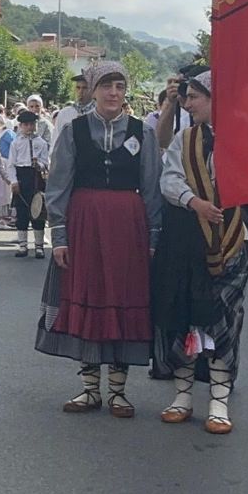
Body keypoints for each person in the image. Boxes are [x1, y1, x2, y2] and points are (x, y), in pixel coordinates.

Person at [37, 62, 161, 419]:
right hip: (85, 226)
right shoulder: (74, 131)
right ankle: (90, 388)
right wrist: (59, 235)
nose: (113, 93)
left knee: (123, 297)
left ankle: (118, 392)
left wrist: (153, 237)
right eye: (106, 86)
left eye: (119, 86)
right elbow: (58, 185)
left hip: (128, 228)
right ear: (92, 90)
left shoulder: (143, 132)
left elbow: (151, 187)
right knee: (88, 295)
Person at [152, 71, 248, 433]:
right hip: (190, 241)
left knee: (223, 320)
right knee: (186, 316)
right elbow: (169, 178)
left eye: (195, 97)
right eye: (187, 96)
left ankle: (219, 401)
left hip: (231, 242)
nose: (188, 103)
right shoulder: (185, 137)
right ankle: (182, 396)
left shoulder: (243, 137)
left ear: (214, 98)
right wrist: (194, 202)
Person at [7, 109, 50, 259]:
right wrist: (13, 181)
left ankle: (39, 246)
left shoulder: (41, 143)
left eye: (32, 124)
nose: (29, 127)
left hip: (36, 177)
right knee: (22, 213)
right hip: (21, 176)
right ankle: (22, 245)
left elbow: (46, 162)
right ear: (21, 126)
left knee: (38, 212)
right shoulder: (16, 143)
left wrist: (41, 166)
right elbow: (11, 164)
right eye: (26, 124)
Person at [51, 74, 93, 141]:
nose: (80, 92)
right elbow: (56, 138)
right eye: (78, 88)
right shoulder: (64, 113)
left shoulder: (99, 112)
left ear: (92, 90)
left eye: (85, 88)